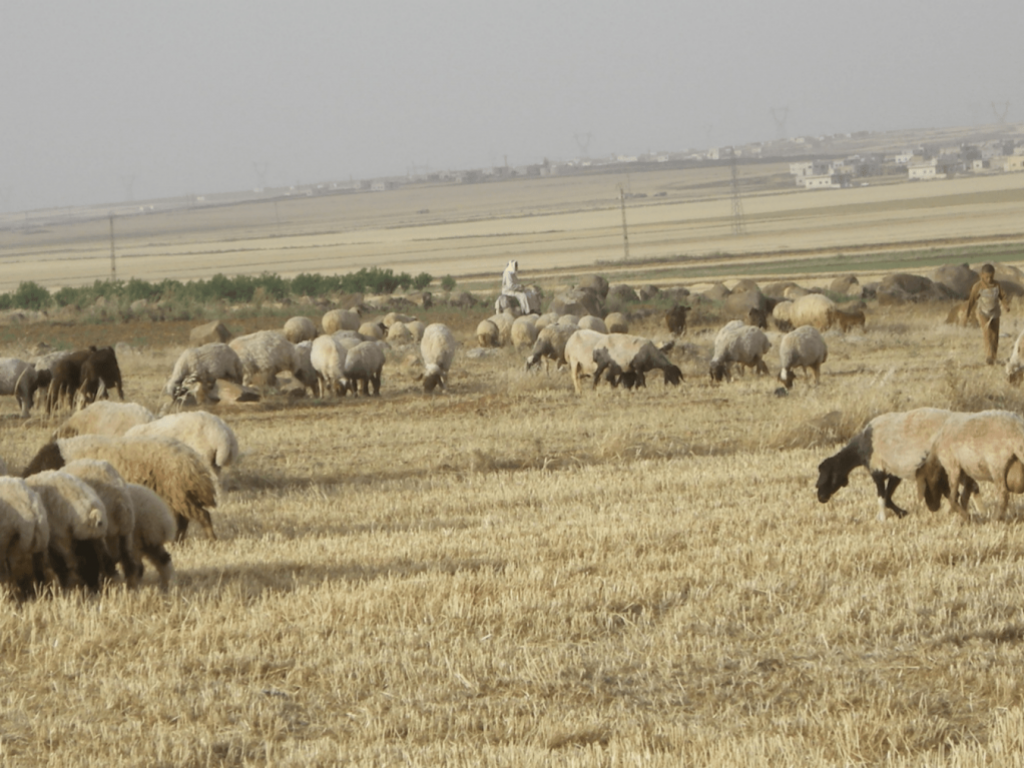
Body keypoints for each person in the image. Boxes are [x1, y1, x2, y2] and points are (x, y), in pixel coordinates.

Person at [965, 263, 1010, 365]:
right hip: (983, 313)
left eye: (991, 277)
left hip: (995, 313)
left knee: (995, 335)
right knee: (987, 333)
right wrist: (967, 313)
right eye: (987, 277)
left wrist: (1006, 305)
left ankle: (994, 357)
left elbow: (1002, 296)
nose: (989, 279)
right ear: (982, 275)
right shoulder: (977, 287)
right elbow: (971, 300)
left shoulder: (997, 285)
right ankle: (989, 356)